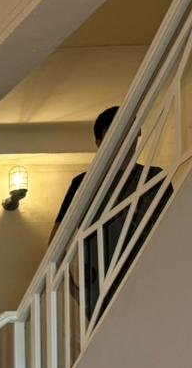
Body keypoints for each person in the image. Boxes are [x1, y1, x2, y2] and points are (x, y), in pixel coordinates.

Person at [50, 106, 173, 321]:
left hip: (151, 286)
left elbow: (175, 233)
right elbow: (55, 245)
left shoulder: (156, 178)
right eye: (115, 133)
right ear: (100, 142)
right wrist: (75, 291)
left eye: (130, 131)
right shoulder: (83, 184)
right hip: (100, 294)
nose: (125, 139)